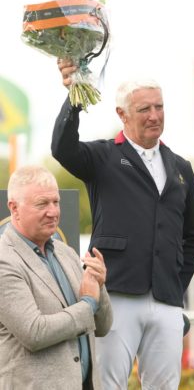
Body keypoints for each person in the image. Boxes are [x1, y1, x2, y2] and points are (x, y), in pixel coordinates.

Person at [52, 61, 194, 388]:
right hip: (115, 293)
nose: (154, 115)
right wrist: (74, 96)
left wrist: (176, 281)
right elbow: (62, 148)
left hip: (166, 297)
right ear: (122, 115)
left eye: (159, 107)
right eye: (144, 109)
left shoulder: (181, 167)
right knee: (108, 383)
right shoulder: (103, 157)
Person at [0, 165, 112, 389]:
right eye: (42, 203)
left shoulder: (66, 253)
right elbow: (34, 332)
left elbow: (102, 327)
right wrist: (89, 303)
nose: (53, 212)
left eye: (56, 202)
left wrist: (99, 286)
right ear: (14, 208)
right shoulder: (4, 260)